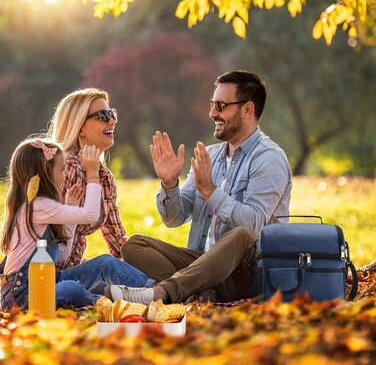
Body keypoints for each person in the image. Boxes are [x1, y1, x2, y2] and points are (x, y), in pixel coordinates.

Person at [106, 70, 292, 304]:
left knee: (241, 235)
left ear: (247, 109)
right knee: (134, 246)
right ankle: (197, 293)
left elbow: (254, 225)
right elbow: (174, 218)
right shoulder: (210, 156)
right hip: (202, 267)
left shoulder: (269, 158)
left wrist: (210, 192)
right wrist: (169, 183)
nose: (212, 113)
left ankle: (162, 293)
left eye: (221, 105)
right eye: (212, 104)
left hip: (247, 272)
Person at [0, 139, 154, 311]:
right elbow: (90, 214)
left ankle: (155, 291)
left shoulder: (42, 207)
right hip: (22, 295)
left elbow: (63, 256)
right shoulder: (38, 206)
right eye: (61, 170)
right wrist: (93, 174)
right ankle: (112, 306)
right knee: (71, 289)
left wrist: (71, 209)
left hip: (48, 280)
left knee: (105, 263)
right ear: (45, 175)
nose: (65, 175)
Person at [47, 88, 126, 269]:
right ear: (80, 127)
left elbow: (117, 241)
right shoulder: (63, 168)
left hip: (72, 268)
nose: (112, 120)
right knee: (105, 265)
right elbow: (49, 234)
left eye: (112, 113)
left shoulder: (104, 177)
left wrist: (146, 256)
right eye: (103, 116)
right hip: (45, 273)